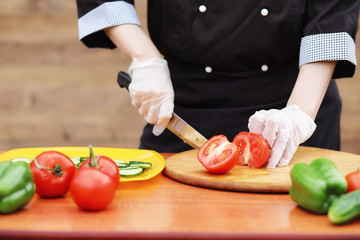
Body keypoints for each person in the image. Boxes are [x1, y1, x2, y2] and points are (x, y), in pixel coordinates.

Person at [76, 0, 360, 168]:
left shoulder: (298, 112)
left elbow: (332, 13)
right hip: (184, 104)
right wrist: (145, 58)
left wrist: (299, 113)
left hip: (295, 101)